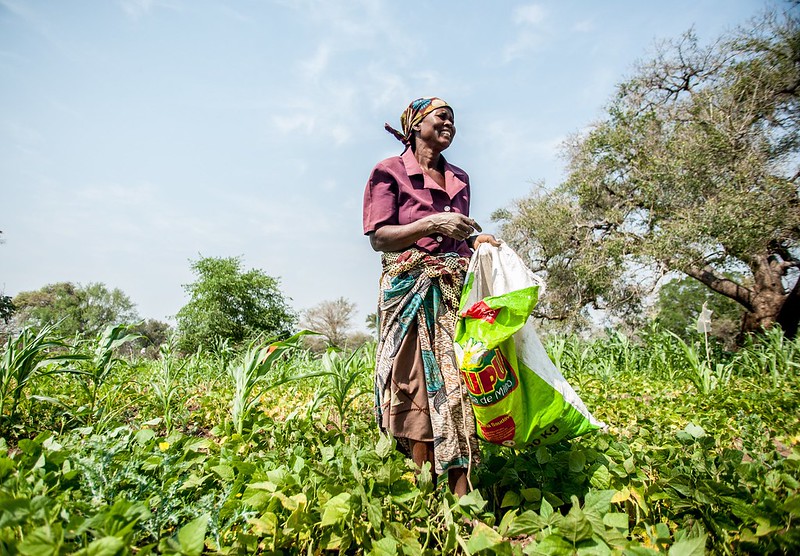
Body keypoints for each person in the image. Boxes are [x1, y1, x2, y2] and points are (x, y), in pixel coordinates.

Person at [362, 97, 499, 495]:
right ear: (415, 123)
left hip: (452, 294)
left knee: (458, 385)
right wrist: (433, 222)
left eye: (453, 120)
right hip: (409, 293)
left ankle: (460, 488)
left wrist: (476, 239)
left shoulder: (460, 177)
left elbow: (454, 240)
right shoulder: (388, 172)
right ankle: (425, 486)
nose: (449, 124)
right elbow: (380, 238)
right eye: (442, 117)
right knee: (415, 384)